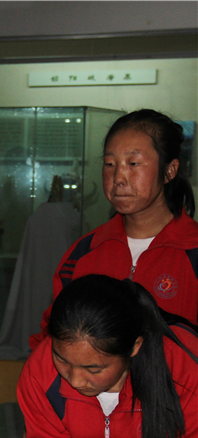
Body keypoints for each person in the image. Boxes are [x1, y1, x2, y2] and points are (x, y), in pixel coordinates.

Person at [31, 109, 198, 349]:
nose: (118, 177)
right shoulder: (83, 254)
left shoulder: (193, 251)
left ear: (169, 170)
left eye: (134, 163)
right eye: (109, 164)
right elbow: (53, 339)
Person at [18, 274, 198, 438]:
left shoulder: (184, 369)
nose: (76, 381)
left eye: (93, 369)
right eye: (62, 360)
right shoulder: (41, 371)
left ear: (134, 347)